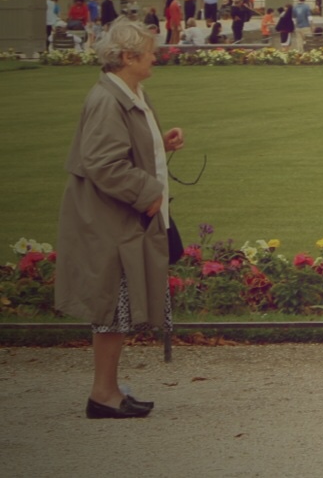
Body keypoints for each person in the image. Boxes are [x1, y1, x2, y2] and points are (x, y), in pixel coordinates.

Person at [57, 20, 186, 419]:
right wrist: (148, 193)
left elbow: (120, 153)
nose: (155, 56)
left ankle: (108, 390)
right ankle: (103, 394)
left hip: (120, 220)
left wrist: (158, 147)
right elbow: (103, 163)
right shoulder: (108, 100)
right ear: (128, 57)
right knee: (111, 308)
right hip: (110, 222)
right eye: (149, 51)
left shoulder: (127, 93)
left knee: (117, 310)